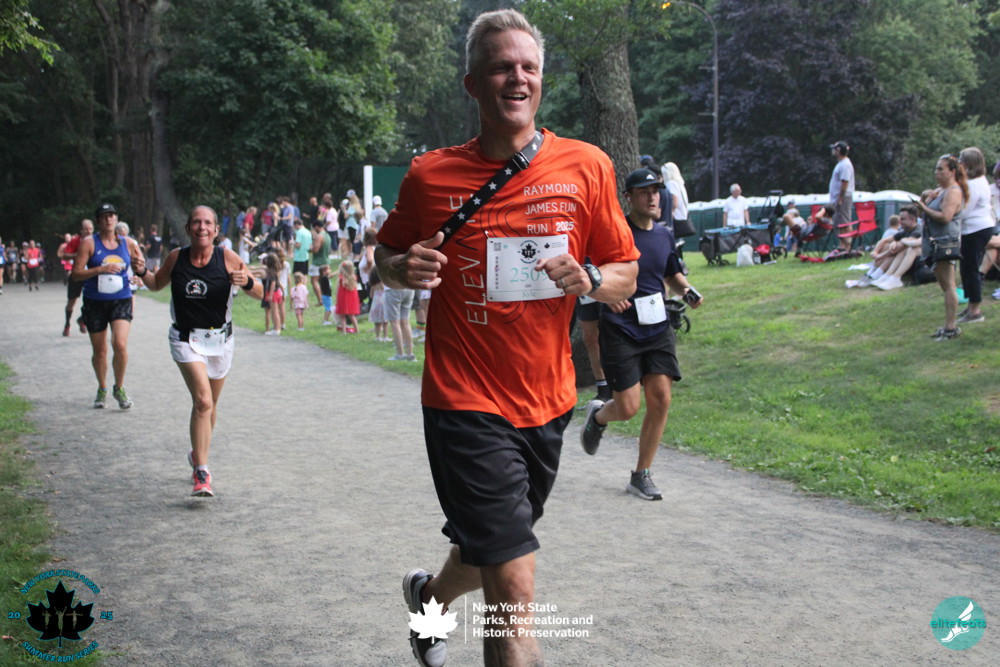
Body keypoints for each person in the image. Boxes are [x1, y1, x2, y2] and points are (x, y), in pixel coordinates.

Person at [375, 9, 638, 666]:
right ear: (473, 84)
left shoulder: (587, 166)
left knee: (488, 551)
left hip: (547, 401)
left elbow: (625, 273)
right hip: (463, 401)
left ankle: (428, 599)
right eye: (500, 67)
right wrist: (403, 266)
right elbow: (384, 256)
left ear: (541, 80)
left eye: (528, 67)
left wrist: (590, 277)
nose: (517, 78)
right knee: (514, 589)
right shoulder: (430, 176)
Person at [579, 168, 703, 500]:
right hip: (621, 328)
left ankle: (641, 474)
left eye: (656, 191)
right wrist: (606, 293)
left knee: (661, 399)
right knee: (628, 407)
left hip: (657, 326)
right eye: (644, 192)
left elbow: (671, 274)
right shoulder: (613, 234)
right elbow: (590, 274)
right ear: (629, 197)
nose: (652, 197)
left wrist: (687, 290)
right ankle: (599, 417)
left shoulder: (663, 235)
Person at [131, 205, 263, 496]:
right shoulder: (176, 258)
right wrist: (141, 270)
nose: (201, 227)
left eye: (207, 223)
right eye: (196, 222)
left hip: (220, 341)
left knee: (210, 405)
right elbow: (155, 284)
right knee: (202, 401)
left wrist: (247, 281)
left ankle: (197, 452)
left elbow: (260, 292)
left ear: (216, 230)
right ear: (188, 228)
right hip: (185, 339)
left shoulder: (227, 258)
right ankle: (201, 472)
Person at [71, 204, 143, 409]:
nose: (108, 219)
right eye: (104, 216)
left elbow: (140, 267)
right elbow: (76, 274)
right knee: (100, 350)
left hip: (121, 299)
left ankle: (118, 387)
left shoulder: (128, 243)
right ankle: (102, 388)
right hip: (95, 301)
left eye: (111, 215)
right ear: (98, 221)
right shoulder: (89, 243)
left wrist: (139, 277)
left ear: (116, 219)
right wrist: (100, 269)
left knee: (119, 344)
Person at [916, 154, 968, 341]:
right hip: (934, 243)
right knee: (945, 286)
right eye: (936, 169)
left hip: (945, 244)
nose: (936, 172)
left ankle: (951, 328)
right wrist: (924, 199)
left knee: (949, 286)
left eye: (940, 169)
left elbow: (945, 217)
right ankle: (948, 326)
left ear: (952, 171)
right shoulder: (940, 191)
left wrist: (924, 207)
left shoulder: (953, 192)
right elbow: (923, 214)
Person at [955, 147, 993, 324]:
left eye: (961, 159)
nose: (958, 162)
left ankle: (975, 311)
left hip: (975, 230)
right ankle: (971, 305)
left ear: (968, 163)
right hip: (976, 229)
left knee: (971, 270)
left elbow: (964, 211)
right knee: (966, 269)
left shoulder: (974, 185)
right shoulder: (979, 181)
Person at [846, 205, 922, 289]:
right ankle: (874, 273)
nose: (900, 222)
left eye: (903, 219)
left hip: (918, 260)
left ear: (913, 219)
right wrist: (875, 252)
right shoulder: (905, 231)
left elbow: (903, 245)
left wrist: (881, 256)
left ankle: (878, 275)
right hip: (903, 258)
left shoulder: (918, 230)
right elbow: (884, 241)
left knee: (897, 249)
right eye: (900, 219)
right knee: (887, 245)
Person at [60, 219, 94, 336]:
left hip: (90, 274)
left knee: (93, 300)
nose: (88, 231)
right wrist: (78, 254)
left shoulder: (96, 241)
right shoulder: (75, 241)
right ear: (81, 230)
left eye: (90, 229)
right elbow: (64, 256)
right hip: (77, 274)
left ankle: (82, 319)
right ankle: (67, 324)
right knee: (72, 301)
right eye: (86, 229)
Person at [829, 141, 856, 252]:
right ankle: (842, 245)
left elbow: (845, 182)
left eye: (834, 149)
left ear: (838, 150)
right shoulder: (841, 163)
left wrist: (840, 198)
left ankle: (847, 246)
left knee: (844, 221)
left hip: (843, 197)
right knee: (840, 221)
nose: (832, 151)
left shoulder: (845, 165)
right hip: (839, 197)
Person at [334, 260, 360, 333]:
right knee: (351, 315)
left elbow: (339, 287)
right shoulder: (353, 277)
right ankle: (357, 330)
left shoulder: (341, 277)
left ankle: (344, 331)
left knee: (342, 316)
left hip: (343, 298)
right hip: (351, 299)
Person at [309, 220, 331, 307]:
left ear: (317, 227)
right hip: (326, 260)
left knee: (314, 281)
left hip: (318, 262)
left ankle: (320, 300)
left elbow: (315, 250)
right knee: (324, 281)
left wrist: (309, 248)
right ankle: (326, 298)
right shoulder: (327, 235)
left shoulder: (319, 236)